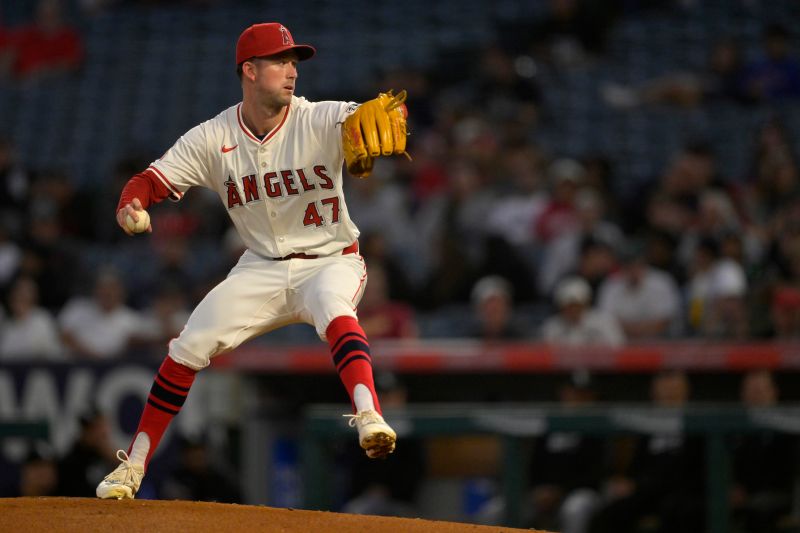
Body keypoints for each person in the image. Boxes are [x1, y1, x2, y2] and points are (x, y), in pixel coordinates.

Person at [96, 22, 402, 500]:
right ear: (250, 71)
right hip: (260, 266)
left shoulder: (318, 118)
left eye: (294, 63)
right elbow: (150, 180)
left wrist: (381, 115)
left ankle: (369, 415)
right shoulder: (213, 136)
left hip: (330, 259)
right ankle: (132, 468)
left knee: (333, 307)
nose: (292, 72)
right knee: (187, 345)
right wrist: (130, 204)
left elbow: (367, 116)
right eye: (281, 62)